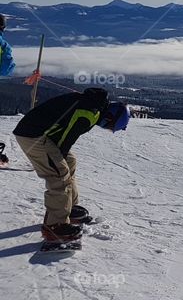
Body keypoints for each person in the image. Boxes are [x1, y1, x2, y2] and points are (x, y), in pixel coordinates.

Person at [13, 88, 129, 243]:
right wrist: (58, 163)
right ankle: (55, 226)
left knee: (69, 161)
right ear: (109, 117)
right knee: (59, 175)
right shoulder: (88, 113)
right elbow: (66, 139)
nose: (106, 129)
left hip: (39, 132)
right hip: (32, 135)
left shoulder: (92, 105)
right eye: (110, 126)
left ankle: (69, 207)